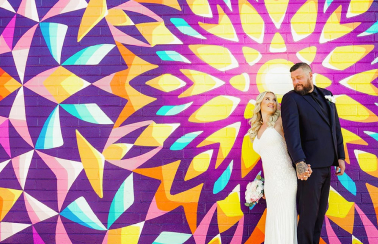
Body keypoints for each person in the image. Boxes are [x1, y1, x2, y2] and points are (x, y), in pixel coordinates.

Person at [281, 63, 346, 244]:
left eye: (299, 78)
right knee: (308, 216)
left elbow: (336, 128)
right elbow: (291, 133)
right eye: (293, 79)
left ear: (310, 75)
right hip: (309, 167)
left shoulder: (327, 95)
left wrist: (340, 156)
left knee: (319, 213)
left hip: (328, 164)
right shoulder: (291, 99)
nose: (296, 82)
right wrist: (300, 163)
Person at [248, 91, 312, 244]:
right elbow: (267, 158)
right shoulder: (256, 129)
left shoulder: (281, 121)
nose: (272, 102)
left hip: (285, 180)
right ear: (259, 103)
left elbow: (297, 142)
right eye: (267, 99)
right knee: (274, 221)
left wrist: (301, 163)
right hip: (271, 184)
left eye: (274, 99)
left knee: (284, 219)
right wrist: (262, 185)